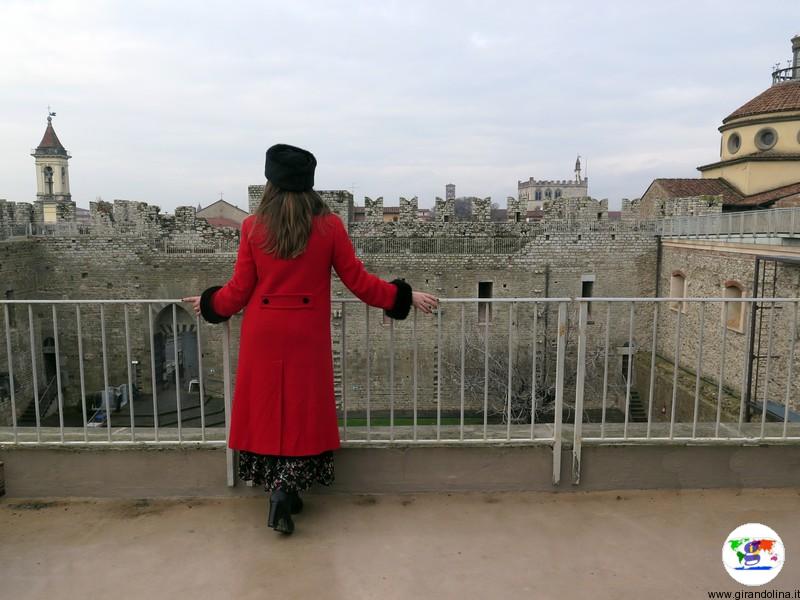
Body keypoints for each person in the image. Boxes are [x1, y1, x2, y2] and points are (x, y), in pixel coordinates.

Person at [182, 143, 439, 535]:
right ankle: (287, 490)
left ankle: (278, 490)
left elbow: (237, 290)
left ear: (270, 182)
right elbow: (359, 282)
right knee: (301, 414)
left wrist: (208, 303)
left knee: (269, 412)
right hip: (306, 334)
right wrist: (404, 296)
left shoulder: (253, 227)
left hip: (263, 333)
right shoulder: (330, 226)